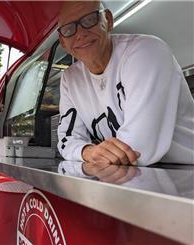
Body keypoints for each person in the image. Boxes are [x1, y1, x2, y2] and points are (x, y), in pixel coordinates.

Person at [57, 1, 194, 168]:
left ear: (107, 20)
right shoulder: (70, 78)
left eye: (89, 20)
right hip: (131, 175)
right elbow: (67, 140)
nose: (80, 34)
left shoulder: (146, 51)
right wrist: (88, 151)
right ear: (63, 42)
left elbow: (136, 149)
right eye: (69, 30)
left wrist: (96, 154)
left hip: (185, 172)